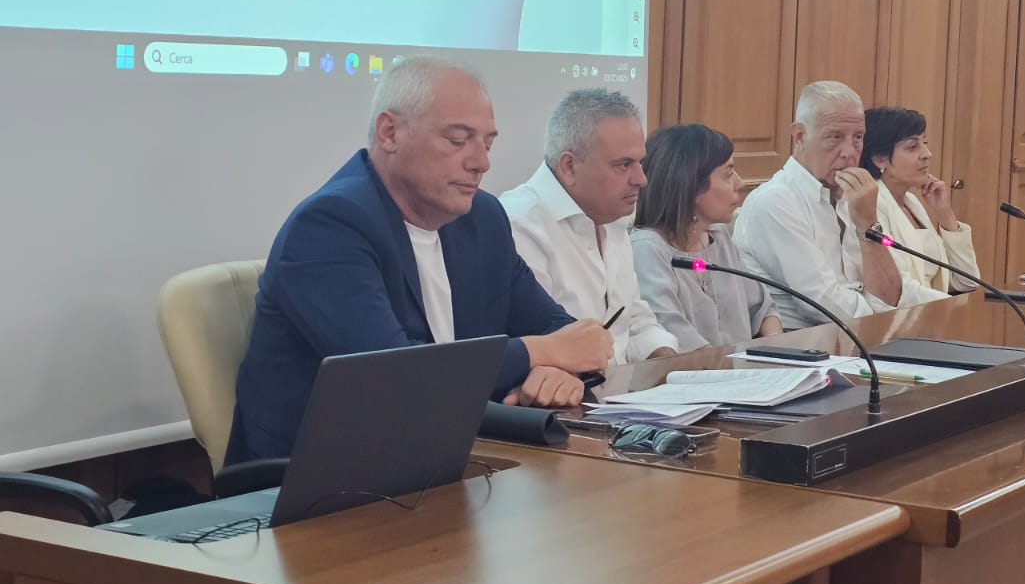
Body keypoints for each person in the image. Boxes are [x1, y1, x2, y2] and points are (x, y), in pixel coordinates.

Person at [230, 57, 613, 461]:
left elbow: (560, 330)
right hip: (324, 477)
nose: (481, 162)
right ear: (390, 133)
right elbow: (399, 376)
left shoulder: (482, 219)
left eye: (487, 143)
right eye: (458, 140)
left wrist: (553, 372)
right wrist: (542, 354)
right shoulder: (329, 226)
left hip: (455, 457)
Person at [500, 89, 678, 362]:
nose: (641, 179)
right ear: (569, 166)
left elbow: (634, 321)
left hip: (622, 385)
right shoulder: (518, 226)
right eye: (624, 165)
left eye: (640, 162)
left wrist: (668, 365)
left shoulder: (613, 216)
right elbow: (541, 347)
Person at [733, 81, 910, 328]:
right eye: (835, 137)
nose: (849, 152)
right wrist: (887, 318)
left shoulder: (855, 197)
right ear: (800, 136)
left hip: (864, 333)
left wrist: (868, 223)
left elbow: (896, 290)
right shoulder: (775, 201)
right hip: (802, 340)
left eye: (858, 138)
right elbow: (825, 305)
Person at [630, 124, 784, 351]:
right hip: (696, 371)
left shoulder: (719, 237)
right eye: (729, 174)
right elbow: (675, 338)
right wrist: (728, 368)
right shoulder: (648, 250)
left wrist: (778, 351)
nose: (740, 183)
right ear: (692, 185)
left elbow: (764, 310)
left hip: (745, 368)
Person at [861, 106, 980, 296]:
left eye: (924, 143)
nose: (927, 154)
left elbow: (966, 281)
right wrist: (944, 306)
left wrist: (946, 216)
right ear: (879, 159)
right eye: (912, 147)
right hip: (905, 312)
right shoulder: (871, 206)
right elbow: (898, 290)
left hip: (930, 308)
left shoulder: (911, 202)